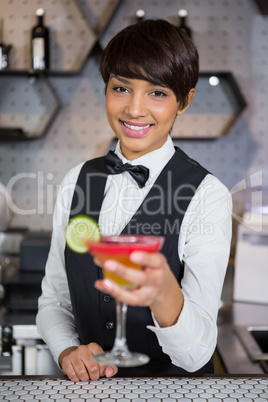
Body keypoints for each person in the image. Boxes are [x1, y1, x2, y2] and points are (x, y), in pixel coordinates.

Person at [36, 19, 232, 381]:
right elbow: (55, 299)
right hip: (95, 390)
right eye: (121, 88)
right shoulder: (75, 181)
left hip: (174, 392)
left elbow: (198, 353)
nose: (134, 109)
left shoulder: (208, 195)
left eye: (157, 93)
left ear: (185, 101)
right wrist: (67, 349)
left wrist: (164, 294)